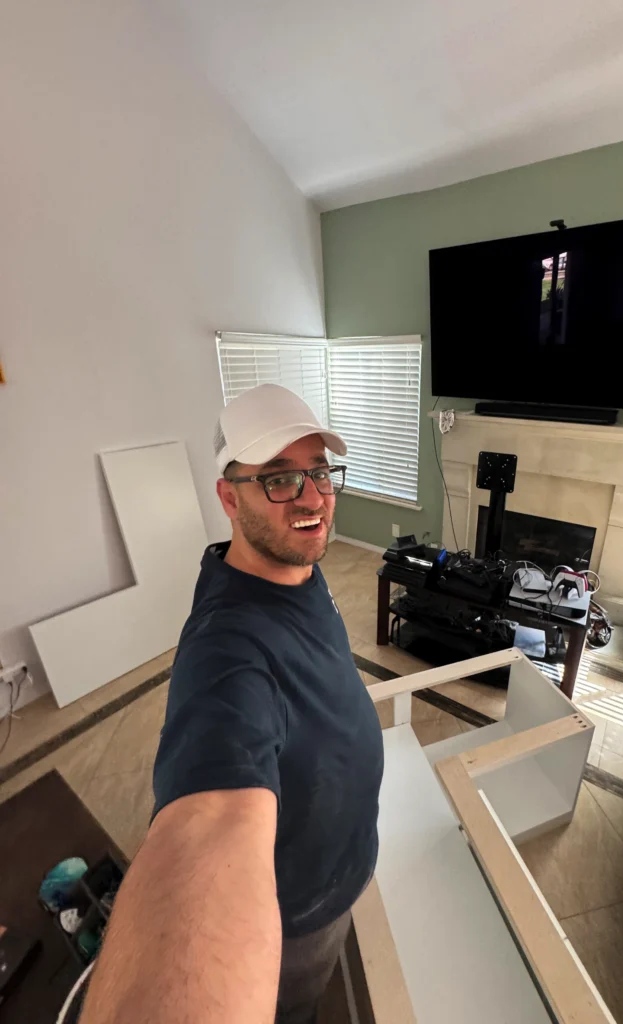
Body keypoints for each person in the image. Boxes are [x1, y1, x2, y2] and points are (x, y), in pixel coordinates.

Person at [79, 384, 384, 1024]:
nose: (312, 499)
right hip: (298, 914)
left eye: (320, 473)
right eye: (278, 481)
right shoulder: (226, 647)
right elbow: (209, 819)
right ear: (228, 496)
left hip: (339, 862)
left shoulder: (295, 563)